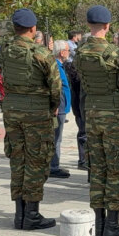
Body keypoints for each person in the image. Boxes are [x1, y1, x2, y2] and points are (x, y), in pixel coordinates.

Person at [74, 6, 119, 236]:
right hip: (113, 115)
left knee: (97, 168)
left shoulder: (80, 52)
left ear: (89, 24)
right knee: (117, 168)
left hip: (92, 113)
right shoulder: (115, 54)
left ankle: (98, 225)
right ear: (108, 26)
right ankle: (112, 225)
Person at [0, 8, 62, 231]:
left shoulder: (5, 50)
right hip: (37, 113)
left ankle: (19, 214)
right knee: (36, 161)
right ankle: (32, 214)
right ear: (33, 29)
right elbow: (55, 87)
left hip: (12, 110)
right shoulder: (42, 53)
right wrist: (53, 107)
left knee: (18, 160)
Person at [49, 40, 71, 179]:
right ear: (62, 52)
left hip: (61, 106)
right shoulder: (56, 66)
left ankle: (53, 164)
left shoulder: (59, 65)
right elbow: (56, 87)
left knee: (57, 137)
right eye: (68, 50)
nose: (69, 53)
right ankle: (53, 166)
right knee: (56, 138)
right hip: (59, 107)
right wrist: (55, 105)